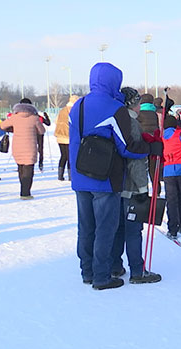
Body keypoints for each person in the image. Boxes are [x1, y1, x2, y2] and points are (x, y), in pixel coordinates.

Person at [69, 62, 151, 290]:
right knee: (106, 228)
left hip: (80, 175)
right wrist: (148, 147)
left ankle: (87, 271)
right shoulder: (115, 108)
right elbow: (126, 147)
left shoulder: (78, 105)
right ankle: (102, 276)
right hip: (105, 178)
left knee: (85, 227)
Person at [111, 86, 162, 284]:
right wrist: (142, 189)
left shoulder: (119, 121)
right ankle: (137, 271)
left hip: (118, 185)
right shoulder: (131, 123)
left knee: (119, 228)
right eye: (138, 102)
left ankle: (115, 265)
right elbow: (136, 160)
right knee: (133, 230)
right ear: (132, 103)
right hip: (131, 187)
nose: (140, 106)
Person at [0, 101, 45, 199]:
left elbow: (2, 125)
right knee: (29, 169)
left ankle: (23, 188)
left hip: (17, 147)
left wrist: (13, 128)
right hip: (30, 147)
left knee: (20, 167)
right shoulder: (34, 118)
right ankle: (25, 192)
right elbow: (42, 131)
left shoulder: (14, 117)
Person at [17, 98, 50, 172]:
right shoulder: (36, 116)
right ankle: (39, 164)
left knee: (29, 149)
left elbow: (48, 123)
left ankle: (24, 165)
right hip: (39, 134)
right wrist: (46, 117)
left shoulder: (22, 116)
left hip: (31, 134)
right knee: (40, 149)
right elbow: (48, 123)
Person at [55, 95, 78, 181]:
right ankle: (71, 176)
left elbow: (56, 121)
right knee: (70, 157)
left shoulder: (62, 110)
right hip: (69, 136)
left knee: (63, 156)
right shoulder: (74, 110)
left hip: (60, 136)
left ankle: (60, 175)